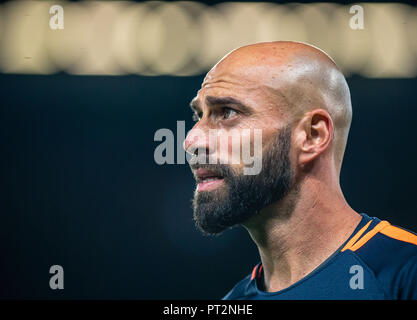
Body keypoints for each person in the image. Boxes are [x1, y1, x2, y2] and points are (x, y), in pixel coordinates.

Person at [184, 41, 417, 299]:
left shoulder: (404, 276)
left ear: (312, 135)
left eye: (226, 113)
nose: (192, 140)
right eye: (199, 116)